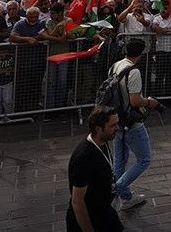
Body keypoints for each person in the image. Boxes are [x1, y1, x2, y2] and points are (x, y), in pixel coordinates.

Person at [110, 38, 158, 212]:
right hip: (132, 121)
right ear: (141, 54)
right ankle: (119, 187)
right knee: (144, 159)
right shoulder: (134, 71)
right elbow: (135, 100)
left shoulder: (116, 66)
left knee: (120, 159)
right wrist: (149, 102)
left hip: (117, 119)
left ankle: (125, 197)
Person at [66, 105, 123, 232]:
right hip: (89, 219)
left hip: (104, 212)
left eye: (117, 124)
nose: (117, 128)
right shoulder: (84, 158)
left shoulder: (103, 141)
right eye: (113, 125)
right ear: (98, 128)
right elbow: (77, 201)